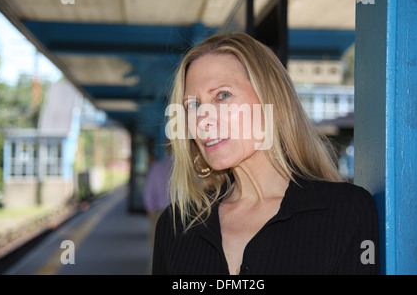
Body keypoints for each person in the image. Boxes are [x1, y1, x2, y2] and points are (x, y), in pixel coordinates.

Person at [152, 32, 379, 275]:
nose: (202, 120)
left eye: (222, 95)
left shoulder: (346, 212)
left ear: (272, 98)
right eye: (192, 106)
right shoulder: (175, 226)